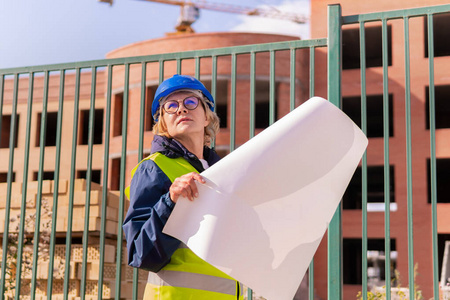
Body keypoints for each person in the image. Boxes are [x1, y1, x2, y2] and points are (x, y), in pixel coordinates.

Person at [123, 74, 243, 300]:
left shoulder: (223, 173)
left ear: (207, 117)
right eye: (171, 106)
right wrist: (170, 201)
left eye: (190, 102)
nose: (181, 109)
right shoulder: (154, 169)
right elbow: (141, 253)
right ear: (163, 123)